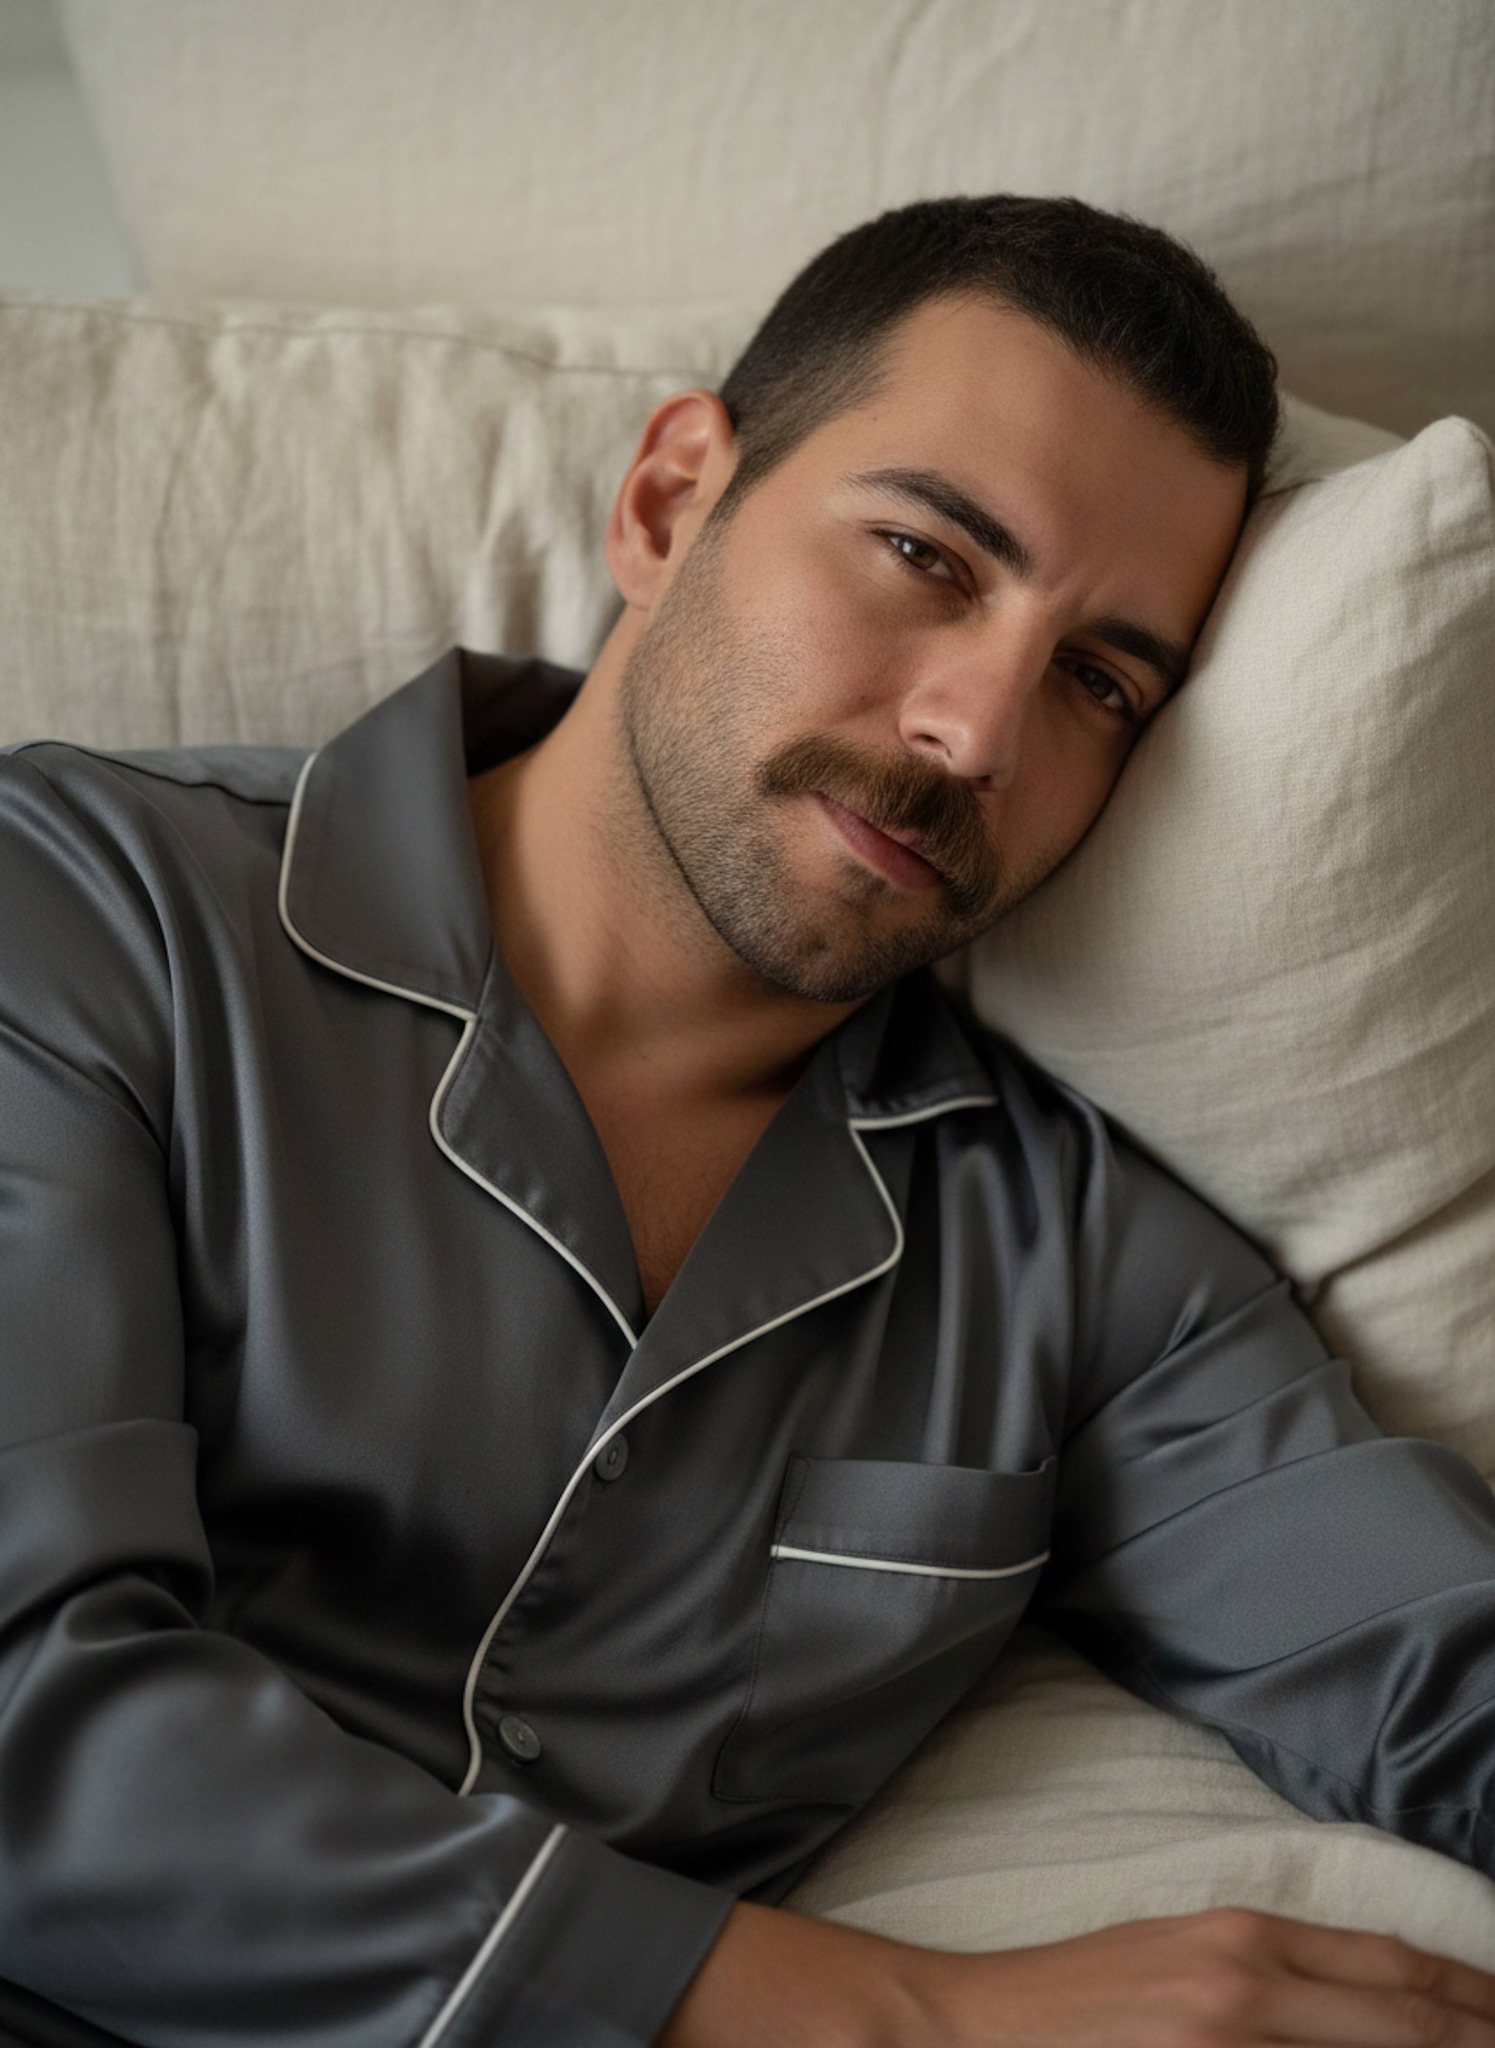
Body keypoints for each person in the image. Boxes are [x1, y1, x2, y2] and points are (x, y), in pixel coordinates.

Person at [0, 194, 1492, 2048]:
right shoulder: (74, 911)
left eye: (1101, 678)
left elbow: (1438, 1671)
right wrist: (916, 2020)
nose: (981, 731)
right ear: (665, 502)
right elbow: (25, 1723)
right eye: (928, 557)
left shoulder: (1084, 1261)